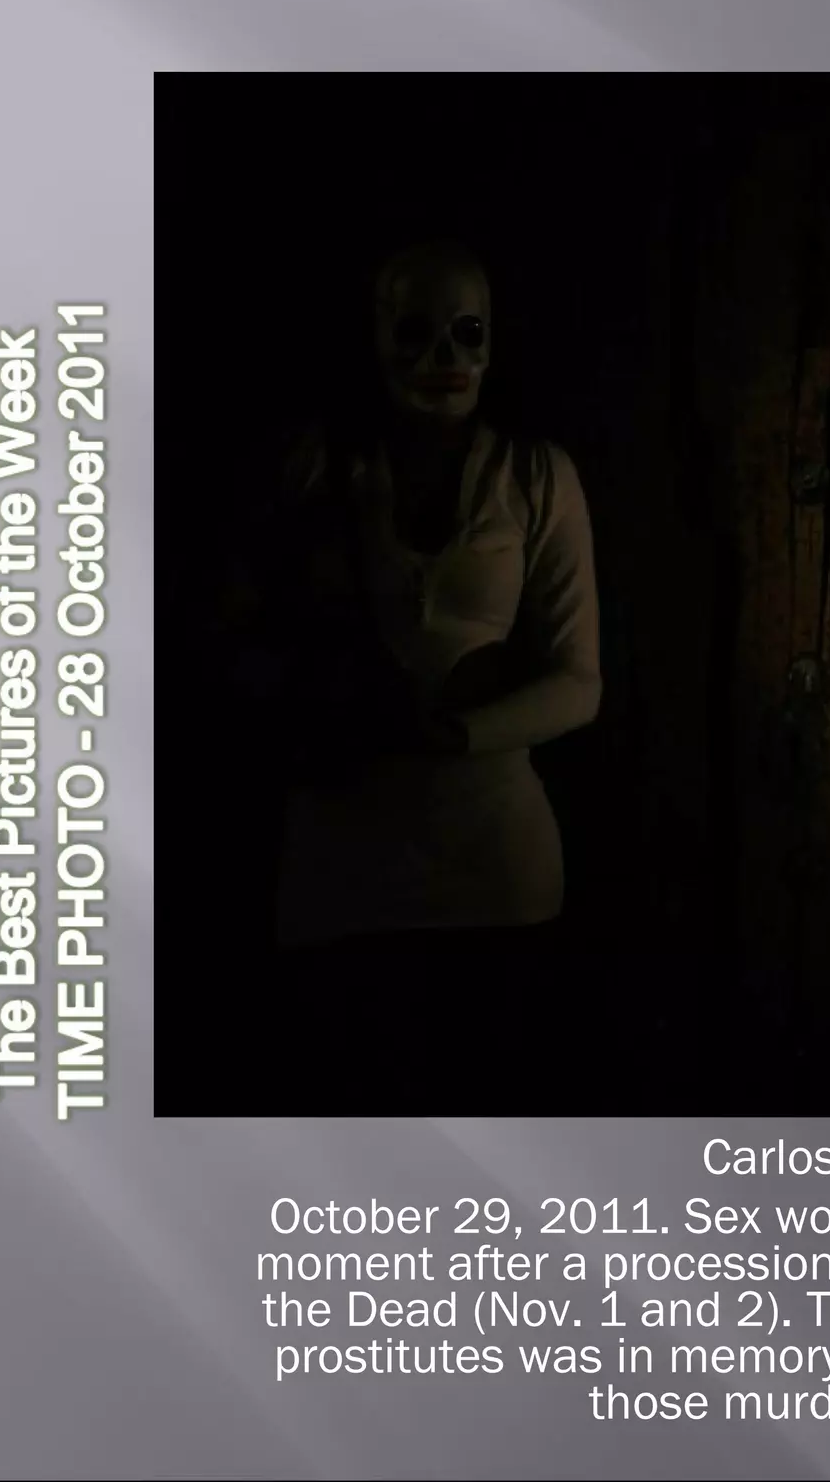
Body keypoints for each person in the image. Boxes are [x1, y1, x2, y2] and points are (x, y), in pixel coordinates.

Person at [230, 238, 602, 1051]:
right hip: (341, 858)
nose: (445, 359)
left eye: (468, 333)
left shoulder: (535, 476)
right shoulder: (309, 469)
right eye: (415, 333)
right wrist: (314, 698)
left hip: (497, 862)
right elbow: (226, 638)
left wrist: (451, 735)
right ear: (374, 336)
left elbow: (580, 682)